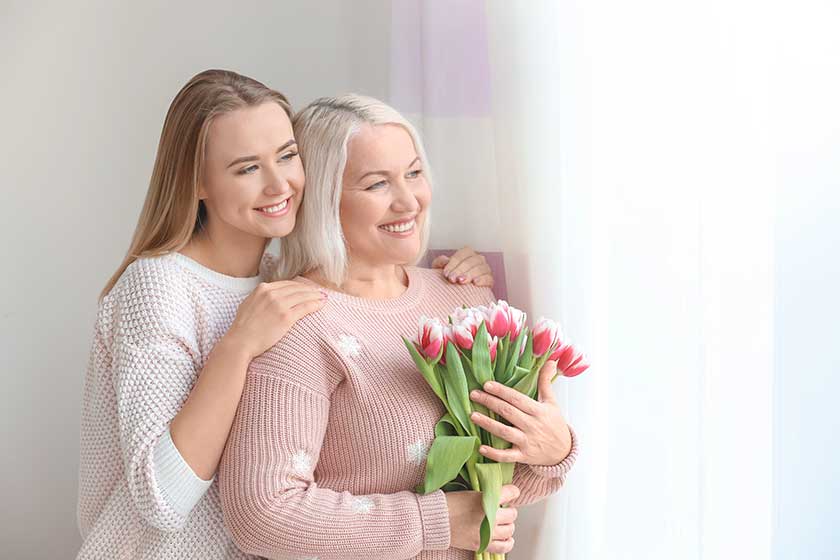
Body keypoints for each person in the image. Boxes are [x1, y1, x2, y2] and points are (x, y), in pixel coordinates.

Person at [76, 70, 495, 559]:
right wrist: (238, 346)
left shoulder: (279, 278)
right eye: (246, 168)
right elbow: (163, 500)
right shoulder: (158, 287)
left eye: (288, 156)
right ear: (197, 181)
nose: (281, 184)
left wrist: (457, 276)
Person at [219, 94, 578, 559]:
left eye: (413, 173)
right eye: (377, 185)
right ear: (324, 198)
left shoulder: (465, 297)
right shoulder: (299, 323)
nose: (408, 200)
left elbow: (490, 498)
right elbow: (263, 515)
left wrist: (553, 450)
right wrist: (435, 522)